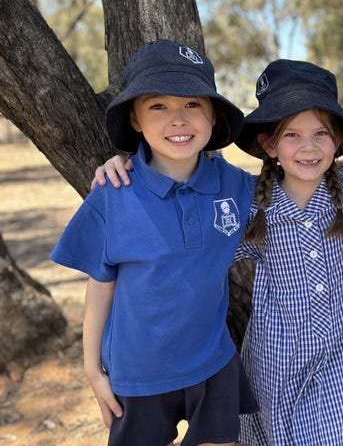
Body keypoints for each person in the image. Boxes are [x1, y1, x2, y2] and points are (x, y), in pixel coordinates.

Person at [50, 39, 258, 446]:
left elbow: (301, 198)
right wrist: (93, 370)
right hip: (137, 375)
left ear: (213, 116)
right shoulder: (114, 191)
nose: (177, 120)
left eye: (192, 105)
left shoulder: (235, 185)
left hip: (213, 364)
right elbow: (99, 287)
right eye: (158, 107)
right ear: (136, 119)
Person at [231, 59, 343, 445]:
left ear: (337, 140)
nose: (308, 147)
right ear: (268, 145)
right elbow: (201, 252)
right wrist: (127, 164)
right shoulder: (253, 207)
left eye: (321, 133)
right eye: (291, 135)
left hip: (336, 359)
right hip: (276, 359)